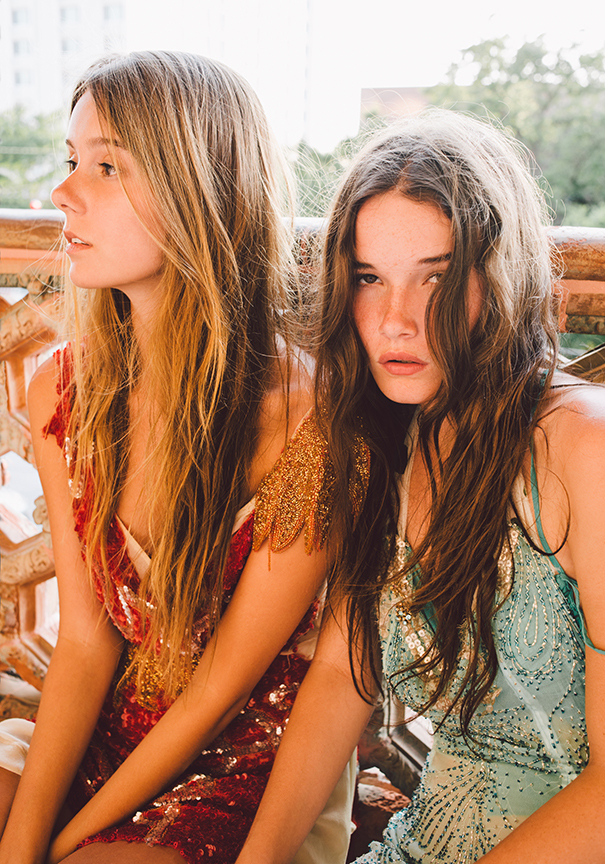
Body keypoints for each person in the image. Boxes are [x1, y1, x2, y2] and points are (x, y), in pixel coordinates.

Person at [0, 51, 363, 864]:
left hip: (243, 764)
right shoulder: (63, 390)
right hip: (106, 726)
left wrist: (70, 840)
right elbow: (86, 643)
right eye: (70, 160)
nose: (63, 192)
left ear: (200, 187)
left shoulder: (310, 423)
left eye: (105, 167)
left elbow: (215, 695)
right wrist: (24, 846)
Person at [234, 109, 605, 864]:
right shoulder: (385, 441)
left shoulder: (581, 447)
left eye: (436, 276)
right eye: (369, 278)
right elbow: (341, 675)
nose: (395, 321)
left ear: (502, 276)